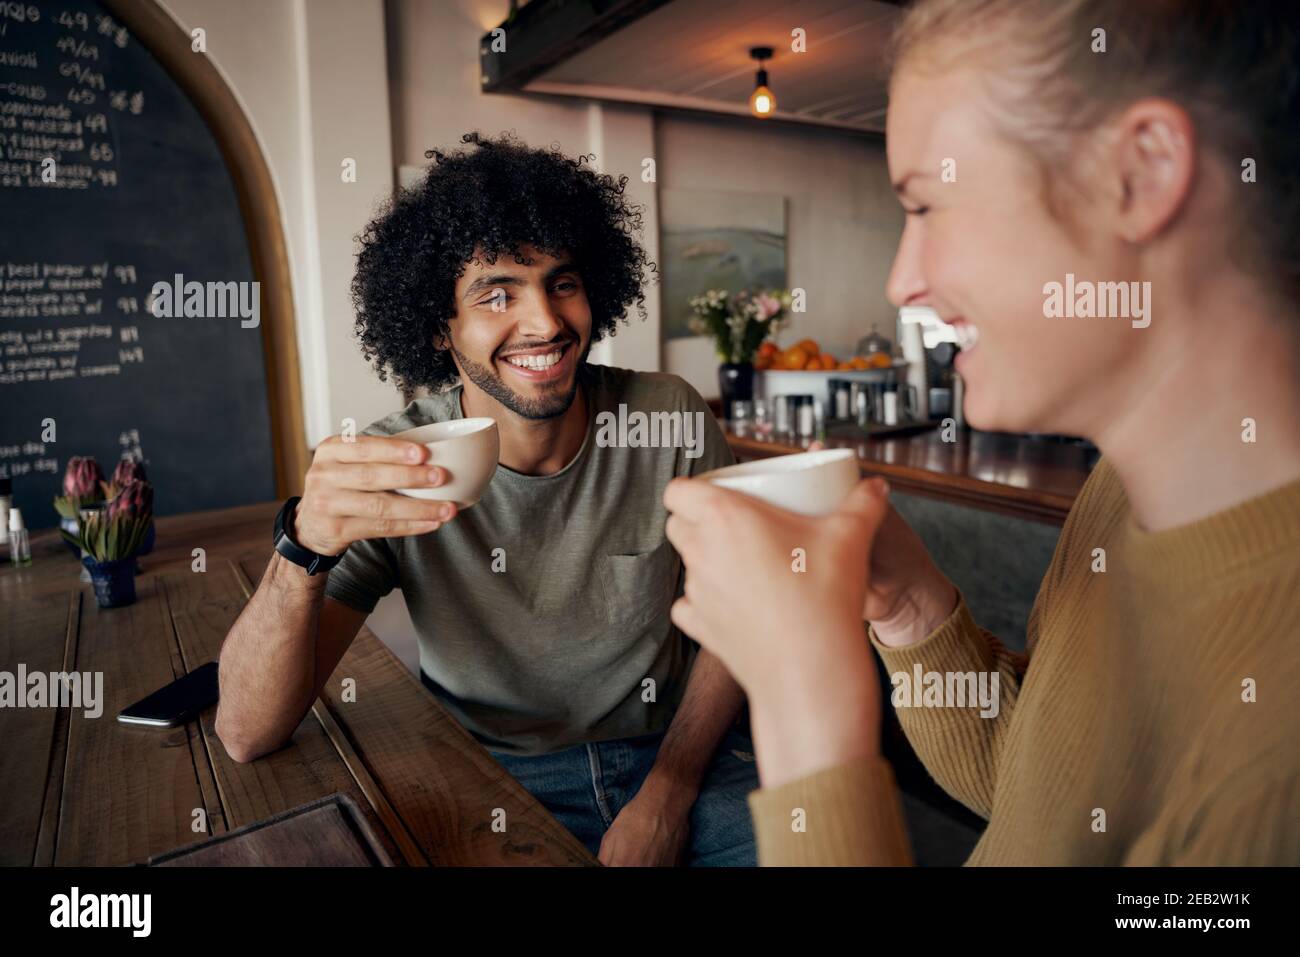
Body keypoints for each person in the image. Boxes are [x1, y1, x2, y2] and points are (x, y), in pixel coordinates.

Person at [663, 0, 1300, 865]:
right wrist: (906, 602)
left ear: (1142, 175)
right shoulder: (1124, 487)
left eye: (927, 207)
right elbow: (1045, 803)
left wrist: (804, 709)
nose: (903, 280)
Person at [215, 132, 759, 866]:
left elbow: (737, 621)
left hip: (677, 757)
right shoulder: (399, 460)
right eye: (497, 293)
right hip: (497, 775)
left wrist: (667, 791)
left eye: (562, 282)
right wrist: (303, 543)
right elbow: (248, 731)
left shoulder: (670, 417)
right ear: (440, 328)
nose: (545, 322)